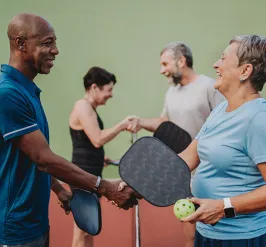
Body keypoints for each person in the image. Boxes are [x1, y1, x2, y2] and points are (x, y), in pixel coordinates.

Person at [0, 13, 138, 247]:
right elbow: (43, 158)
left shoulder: (28, 91)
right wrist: (106, 188)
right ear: (20, 44)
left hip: (36, 223)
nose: (56, 50)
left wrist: (57, 188)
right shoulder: (8, 93)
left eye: (54, 42)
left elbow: (32, 155)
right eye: (47, 43)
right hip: (16, 229)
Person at [128, 42, 224, 247]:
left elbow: (225, 120)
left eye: (165, 63)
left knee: (214, 230)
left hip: (209, 170)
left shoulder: (208, 86)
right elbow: (165, 123)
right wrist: (140, 121)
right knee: (189, 232)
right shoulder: (172, 93)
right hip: (183, 170)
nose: (162, 70)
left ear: (181, 61)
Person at [176, 35, 266, 247]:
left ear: (245, 71)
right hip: (207, 234)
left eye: (224, 59)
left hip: (243, 238)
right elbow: (187, 158)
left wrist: (224, 206)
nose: (216, 64)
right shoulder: (219, 110)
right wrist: (138, 181)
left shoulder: (258, 119)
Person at [69, 66, 134, 247]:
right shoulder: (82, 106)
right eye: (109, 90)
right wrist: (122, 125)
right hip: (83, 177)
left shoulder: (89, 108)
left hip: (90, 173)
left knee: (89, 228)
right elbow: (97, 139)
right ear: (95, 87)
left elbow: (87, 143)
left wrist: (100, 158)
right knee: (81, 231)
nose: (111, 95)